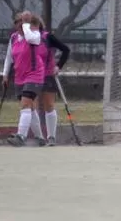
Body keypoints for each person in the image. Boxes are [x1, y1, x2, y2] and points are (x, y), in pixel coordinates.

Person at [2, 11, 45, 147]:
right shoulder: (14, 38)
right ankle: (40, 137)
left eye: (23, 22)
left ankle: (21, 136)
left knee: (25, 104)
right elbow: (9, 57)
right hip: (19, 76)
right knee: (30, 108)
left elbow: (31, 39)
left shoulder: (35, 35)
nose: (20, 25)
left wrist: (27, 24)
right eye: (18, 22)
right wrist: (5, 74)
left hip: (34, 74)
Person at [31, 17, 71, 147]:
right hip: (31, 75)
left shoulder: (48, 37)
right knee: (31, 107)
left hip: (47, 75)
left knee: (49, 105)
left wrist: (58, 66)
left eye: (31, 26)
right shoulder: (26, 39)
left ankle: (51, 137)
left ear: (37, 25)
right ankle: (39, 137)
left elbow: (66, 49)